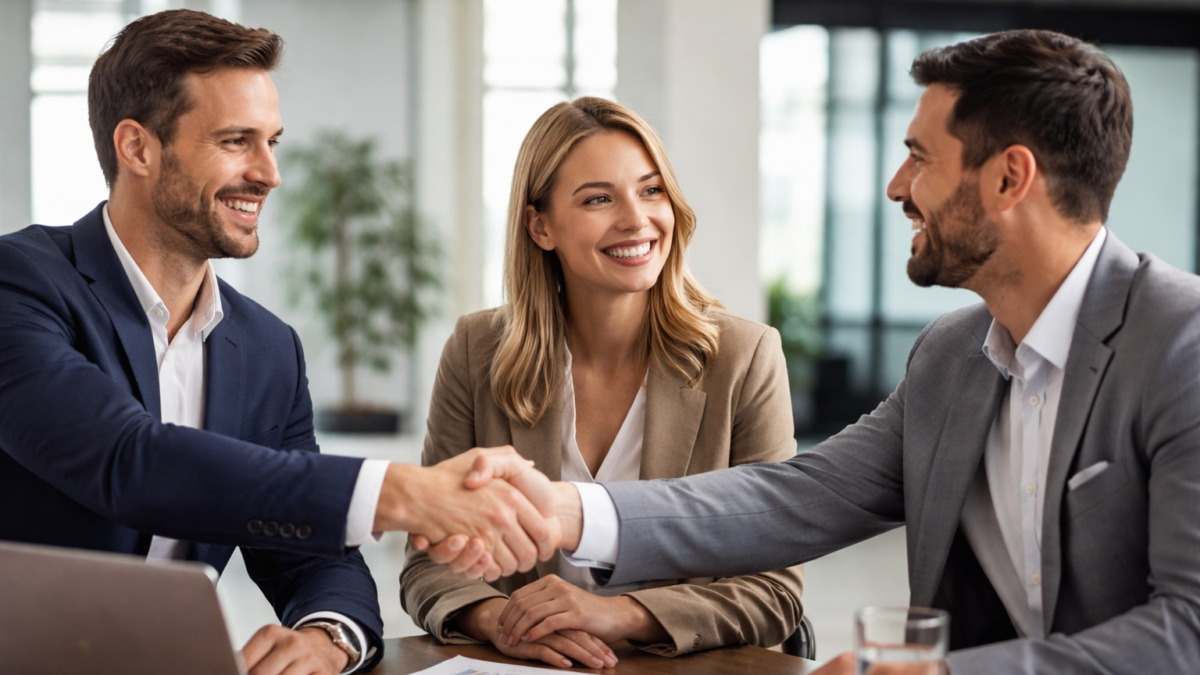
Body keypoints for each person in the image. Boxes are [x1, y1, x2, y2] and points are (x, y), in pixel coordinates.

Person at [426, 29, 1200, 674]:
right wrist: (568, 510)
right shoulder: (952, 356)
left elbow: (1189, 629)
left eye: (921, 156)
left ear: (1009, 177)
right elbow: (791, 497)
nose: (898, 186)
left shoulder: (1182, 344)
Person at [0, 11, 555, 675]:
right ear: (138, 148)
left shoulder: (268, 348)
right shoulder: (20, 283)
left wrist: (326, 636)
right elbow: (128, 460)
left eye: (273, 142)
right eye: (237, 141)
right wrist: (401, 493)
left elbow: (317, 556)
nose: (269, 173)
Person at [401, 97, 804, 669]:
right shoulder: (477, 350)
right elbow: (430, 558)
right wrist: (504, 621)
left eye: (651, 190)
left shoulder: (744, 356)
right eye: (598, 199)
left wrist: (621, 614)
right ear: (540, 225)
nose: (636, 220)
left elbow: (774, 588)